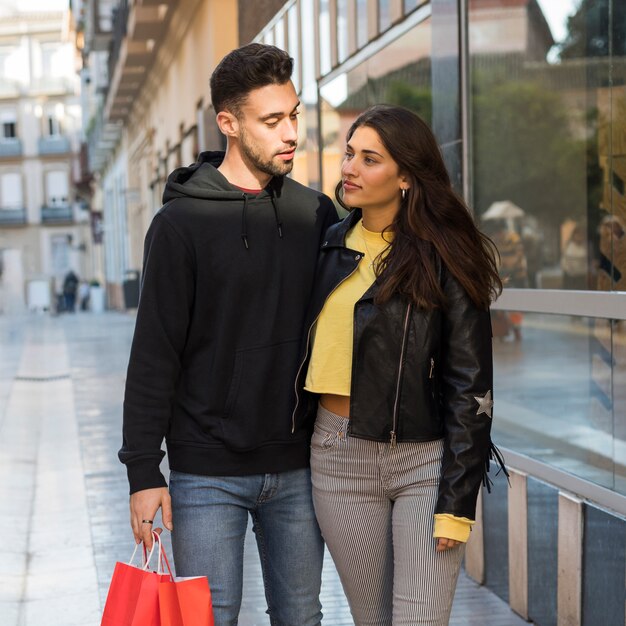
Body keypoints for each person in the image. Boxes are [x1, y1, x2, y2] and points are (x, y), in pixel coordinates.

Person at [119, 43, 337, 625]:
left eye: (294, 115)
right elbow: (154, 355)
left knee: (301, 616)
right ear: (229, 123)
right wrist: (144, 473)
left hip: (297, 466)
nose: (291, 132)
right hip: (204, 474)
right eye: (273, 121)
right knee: (208, 619)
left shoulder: (314, 214)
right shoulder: (180, 225)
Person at [293, 105, 505, 625]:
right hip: (337, 456)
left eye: (370, 159)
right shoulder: (325, 249)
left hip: (424, 463)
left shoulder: (445, 255)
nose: (350, 168)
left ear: (406, 176)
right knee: (374, 620)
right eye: (349, 154)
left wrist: (458, 500)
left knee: (419, 620)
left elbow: (470, 385)